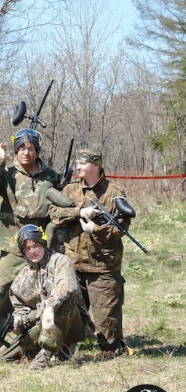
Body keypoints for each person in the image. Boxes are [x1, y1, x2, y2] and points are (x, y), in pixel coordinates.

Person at [0, 128, 60, 346]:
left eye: (30, 148)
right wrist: (0, 160)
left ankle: (36, 336)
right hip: (13, 244)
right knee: (2, 289)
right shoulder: (8, 173)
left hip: (41, 247)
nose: (25, 153)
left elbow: (61, 206)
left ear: (37, 151)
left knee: (42, 290)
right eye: (21, 149)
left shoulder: (51, 176)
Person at [49, 149, 131, 358]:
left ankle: (111, 350)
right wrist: (78, 212)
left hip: (103, 265)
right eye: (77, 163)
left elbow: (122, 227)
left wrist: (96, 229)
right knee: (68, 312)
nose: (77, 167)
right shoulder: (69, 189)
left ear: (96, 165)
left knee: (107, 318)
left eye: (82, 163)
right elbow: (54, 213)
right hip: (73, 263)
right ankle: (64, 349)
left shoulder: (114, 192)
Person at [8, 225, 93, 370]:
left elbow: (66, 287)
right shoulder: (23, 275)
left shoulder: (60, 261)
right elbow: (19, 305)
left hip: (73, 323)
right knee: (4, 356)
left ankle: (46, 354)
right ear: (23, 251)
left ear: (43, 244)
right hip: (43, 323)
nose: (33, 251)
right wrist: (19, 319)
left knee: (62, 303)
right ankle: (50, 348)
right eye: (27, 248)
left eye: (36, 245)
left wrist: (49, 307)